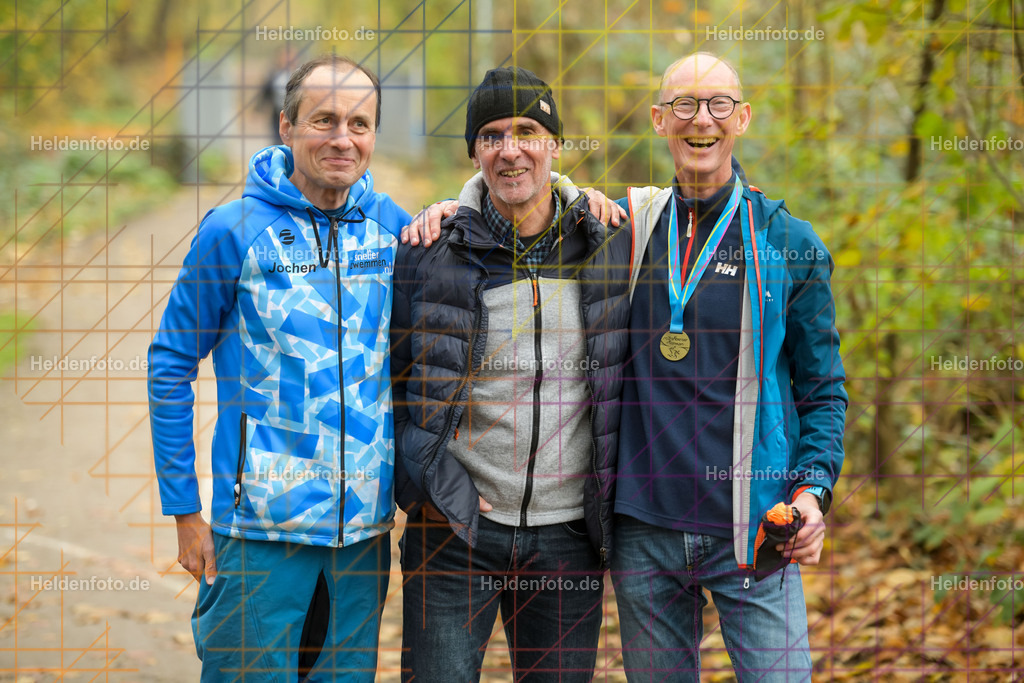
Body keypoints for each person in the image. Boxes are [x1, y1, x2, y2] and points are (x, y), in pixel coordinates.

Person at [148, 54, 411, 681]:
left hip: (361, 541)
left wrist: (575, 199)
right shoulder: (233, 232)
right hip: (260, 533)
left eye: (359, 123)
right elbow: (170, 364)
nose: (342, 138)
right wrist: (185, 510)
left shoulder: (396, 230)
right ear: (287, 125)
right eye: (323, 120)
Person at [611, 52, 848, 681]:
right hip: (643, 532)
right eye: (684, 105)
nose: (701, 120)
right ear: (660, 120)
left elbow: (823, 390)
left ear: (741, 118)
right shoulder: (623, 228)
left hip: (754, 532)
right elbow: (529, 200)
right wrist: (452, 207)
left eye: (718, 104)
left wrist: (813, 491)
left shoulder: (789, 243)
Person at [390, 66, 632, 682]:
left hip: (568, 540)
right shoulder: (429, 249)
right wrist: (433, 485)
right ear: (474, 150)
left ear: (554, 143)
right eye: (492, 135)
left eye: (528, 131)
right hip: (455, 534)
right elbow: (394, 385)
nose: (510, 149)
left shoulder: (608, 244)